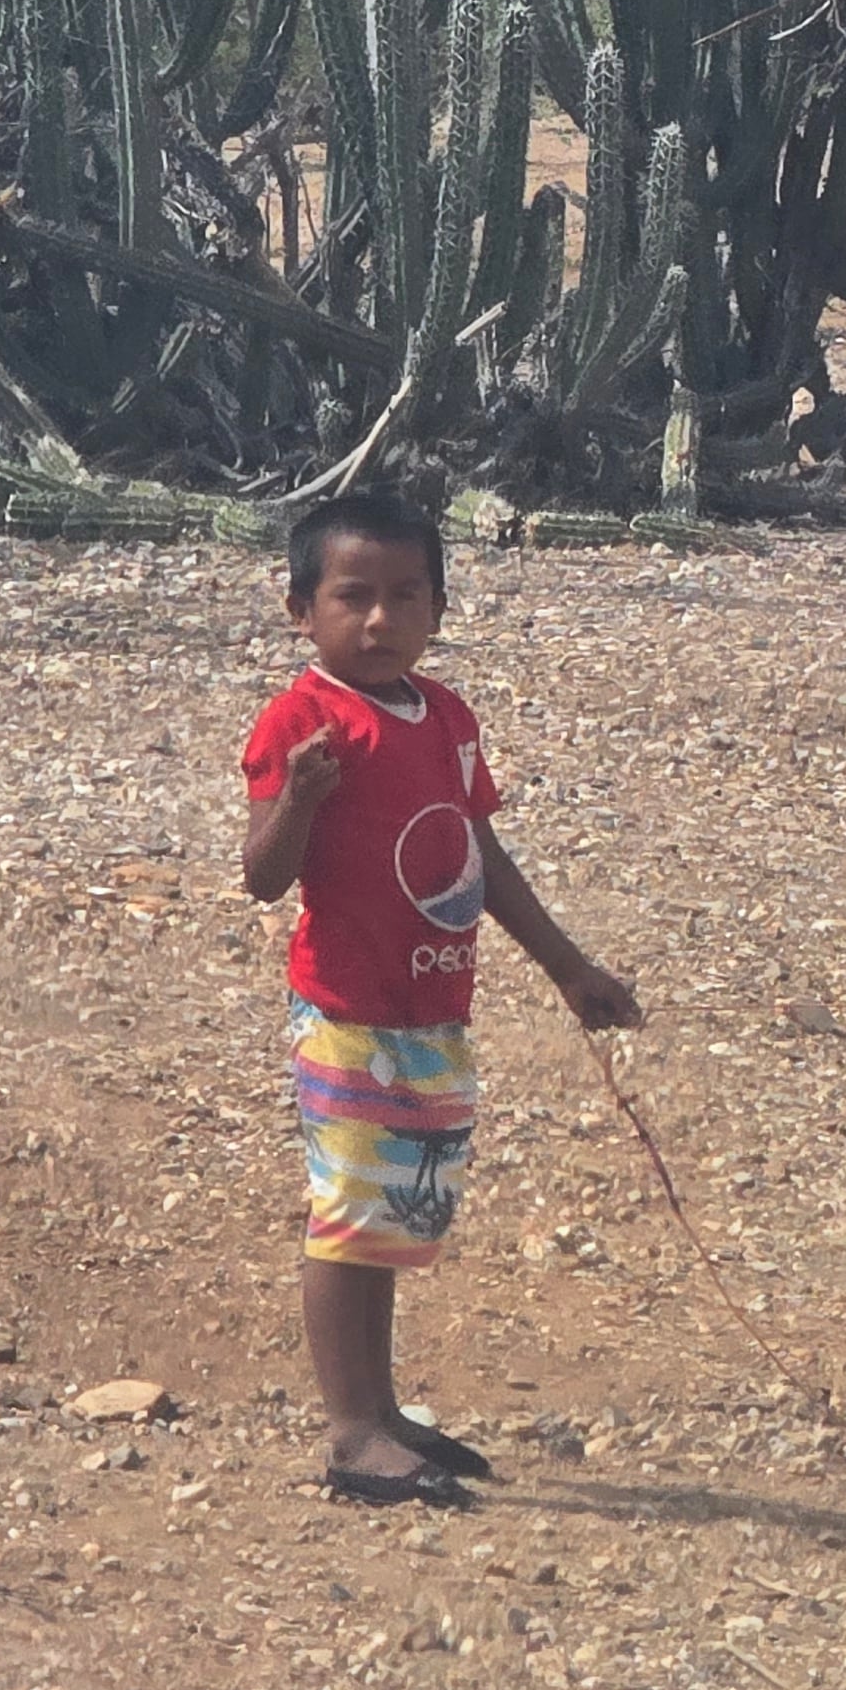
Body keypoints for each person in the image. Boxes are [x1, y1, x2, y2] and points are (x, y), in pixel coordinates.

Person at [241, 488, 640, 1507]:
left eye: (406, 597)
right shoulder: (303, 721)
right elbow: (263, 875)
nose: (380, 620)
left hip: (431, 1010)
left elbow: (478, 851)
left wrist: (566, 965)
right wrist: (298, 797)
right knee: (348, 1214)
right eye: (353, 597)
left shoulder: (447, 714)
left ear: (439, 607)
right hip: (347, 1009)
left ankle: (380, 1411)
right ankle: (349, 1432)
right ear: (302, 610)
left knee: (390, 1215)